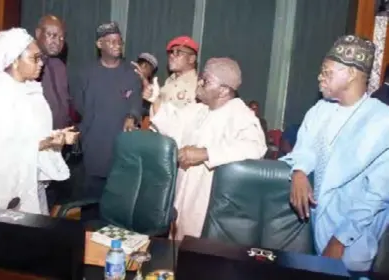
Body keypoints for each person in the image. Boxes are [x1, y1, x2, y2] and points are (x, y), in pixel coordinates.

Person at [280, 35, 389, 273]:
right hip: (316, 230)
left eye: (327, 72)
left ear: (351, 74)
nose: (320, 77)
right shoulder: (319, 110)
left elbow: (376, 195)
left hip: (354, 241)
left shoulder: (383, 121)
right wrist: (299, 172)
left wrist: (340, 239)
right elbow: (305, 148)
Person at [146, 57, 267, 240]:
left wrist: (205, 153)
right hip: (183, 195)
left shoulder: (241, 115)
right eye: (201, 78)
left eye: (206, 81)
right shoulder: (199, 110)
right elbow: (172, 122)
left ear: (224, 90)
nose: (200, 83)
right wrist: (154, 98)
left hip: (210, 204)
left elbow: (255, 146)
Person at [0, 28, 78, 215]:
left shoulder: (29, 91)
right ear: (15, 61)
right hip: (6, 193)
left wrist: (55, 138)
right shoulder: (0, 97)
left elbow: (28, 136)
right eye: (34, 58)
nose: (41, 63)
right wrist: (47, 142)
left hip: (31, 182)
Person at [73, 22, 142, 209]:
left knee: (117, 207)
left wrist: (132, 116)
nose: (116, 45)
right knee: (89, 207)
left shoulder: (131, 74)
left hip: (121, 152)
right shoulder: (85, 73)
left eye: (119, 41)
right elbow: (78, 105)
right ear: (99, 44)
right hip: (92, 150)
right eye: (111, 41)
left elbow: (136, 103)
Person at [136, 36, 198, 109]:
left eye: (178, 52)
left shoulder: (197, 85)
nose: (171, 55)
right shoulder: (168, 83)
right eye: (171, 52)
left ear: (191, 59)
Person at [36, 15, 74, 130]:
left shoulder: (60, 66)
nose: (57, 42)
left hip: (58, 139)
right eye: (51, 35)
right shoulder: (23, 62)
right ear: (38, 33)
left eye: (61, 38)